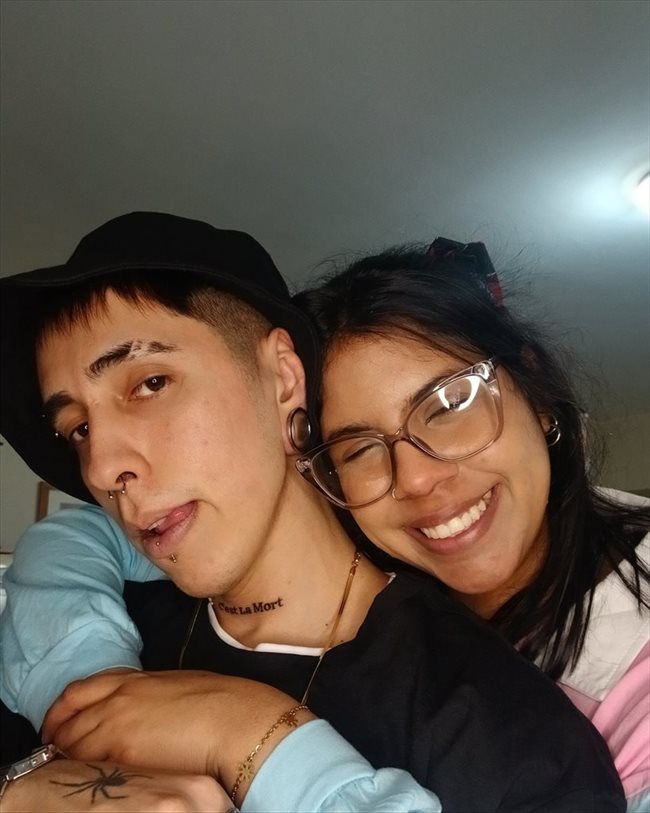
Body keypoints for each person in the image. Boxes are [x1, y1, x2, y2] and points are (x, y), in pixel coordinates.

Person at [0, 213, 625, 812]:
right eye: (78, 428)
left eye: (150, 384)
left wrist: (248, 736)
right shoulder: (92, 632)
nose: (103, 467)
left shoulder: (515, 741)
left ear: (283, 378)